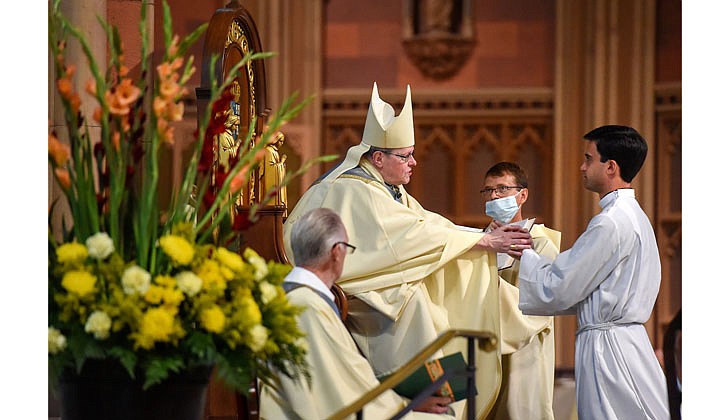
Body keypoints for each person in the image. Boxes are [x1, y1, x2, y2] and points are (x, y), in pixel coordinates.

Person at [282, 82, 533, 418]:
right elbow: (401, 238)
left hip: (372, 279)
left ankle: (437, 402)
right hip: (350, 286)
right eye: (406, 156)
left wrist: (477, 237)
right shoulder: (354, 189)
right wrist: (482, 241)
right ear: (379, 157)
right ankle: (421, 407)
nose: (414, 162)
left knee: (431, 302)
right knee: (418, 307)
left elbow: (428, 224)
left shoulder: (388, 188)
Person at [516, 125, 669, 419]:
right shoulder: (633, 215)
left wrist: (522, 253)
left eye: (588, 159)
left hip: (609, 350)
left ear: (610, 167)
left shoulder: (610, 222)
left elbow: (562, 286)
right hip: (623, 342)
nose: (582, 167)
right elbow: (583, 285)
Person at [259, 208, 454, 419]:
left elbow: (340, 378)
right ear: (336, 252)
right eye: (348, 249)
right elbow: (337, 392)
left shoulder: (298, 298)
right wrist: (406, 405)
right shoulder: (306, 305)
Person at [480, 162, 560, 420]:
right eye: (489, 191)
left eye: (502, 189)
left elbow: (542, 304)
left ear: (522, 195)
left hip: (524, 354)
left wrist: (490, 288)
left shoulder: (539, 243)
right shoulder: (478, 243)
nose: (494, 196)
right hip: (484, 349)